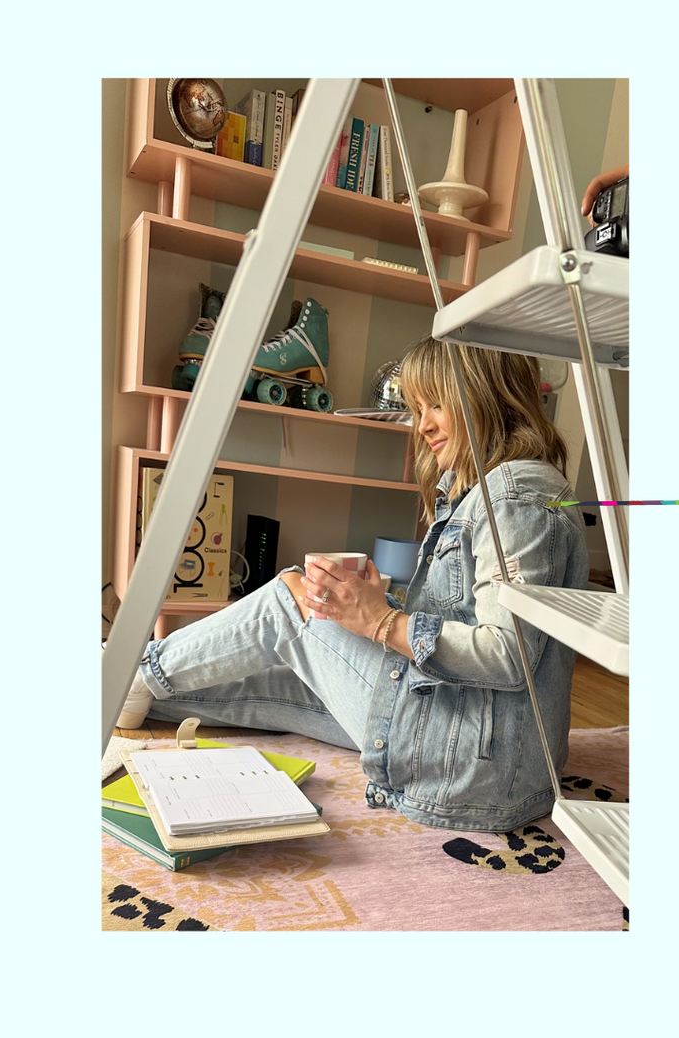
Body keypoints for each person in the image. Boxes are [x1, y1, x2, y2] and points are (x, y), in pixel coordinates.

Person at [114, 339, 590, 834]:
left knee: (294, 597)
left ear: (486, 393)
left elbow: (507, 654)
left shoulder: (515, 494)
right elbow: (469, 623)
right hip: (477, 751)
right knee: (280, 673)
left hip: (469, 761)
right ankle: (116, 690)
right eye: (417, 408)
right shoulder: (495, 490)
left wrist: (381, 620)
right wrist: (378, 604)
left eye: (436, 404)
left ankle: (129, 673)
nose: (422, 425)